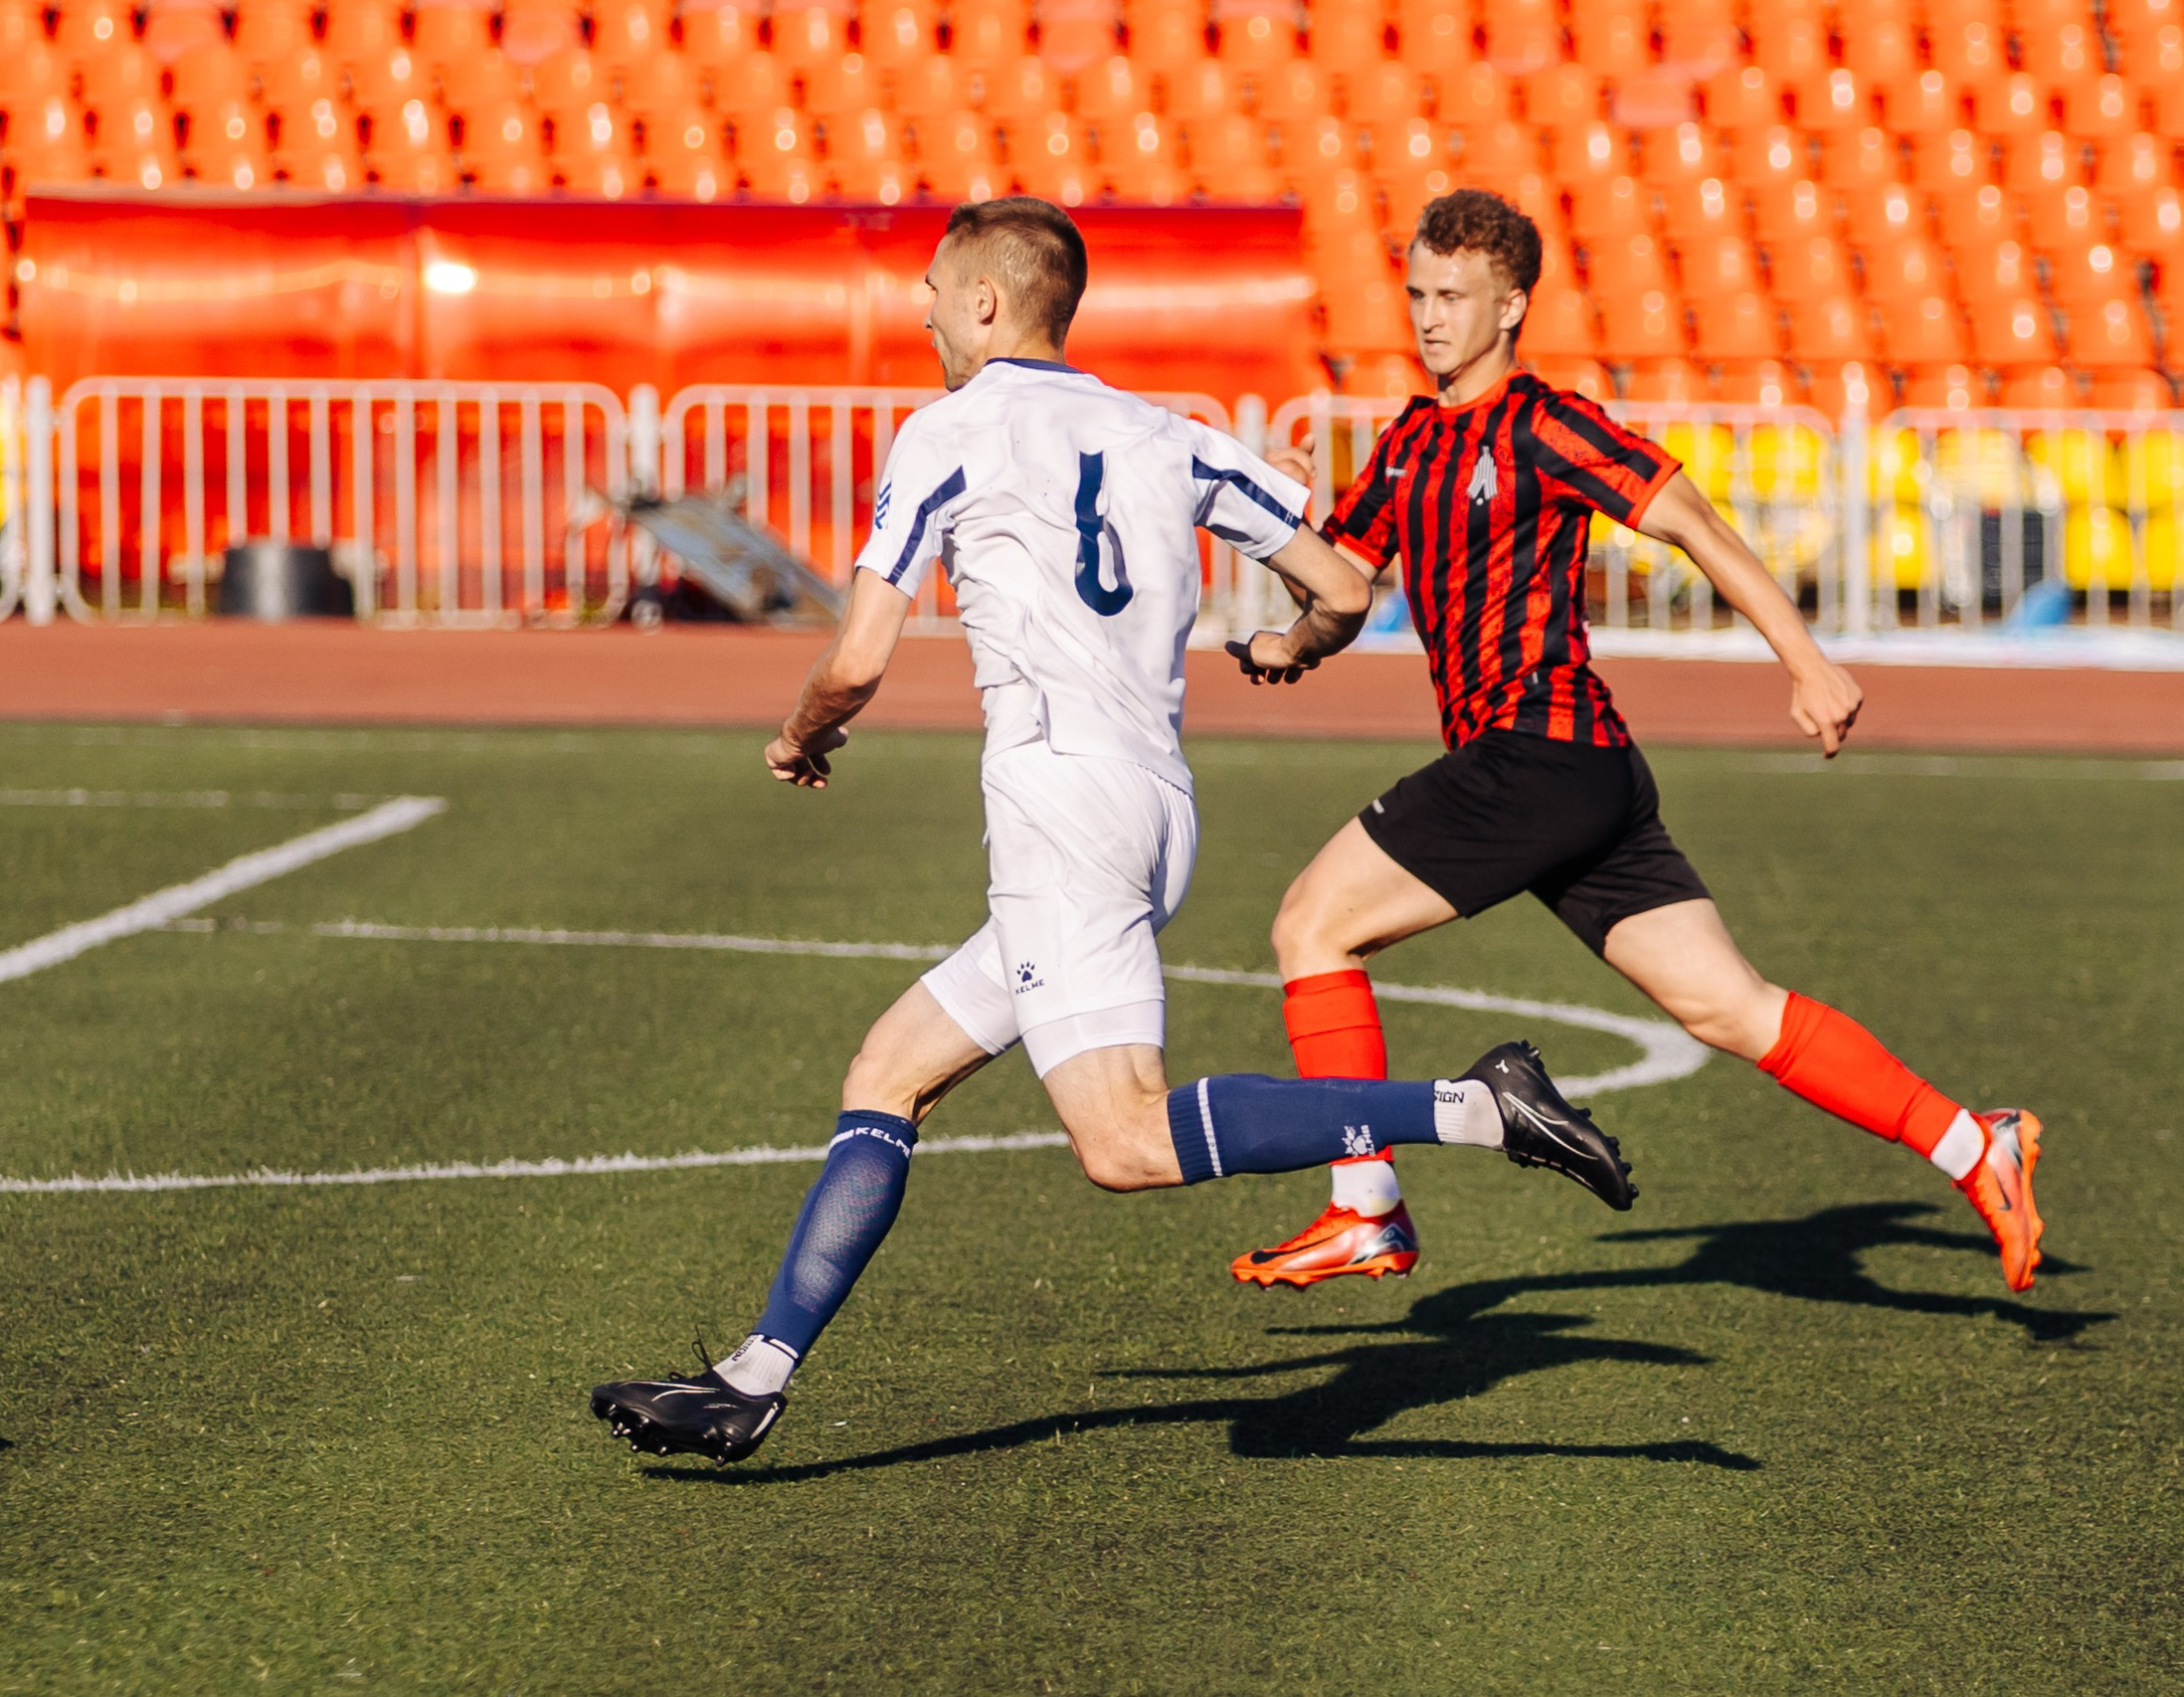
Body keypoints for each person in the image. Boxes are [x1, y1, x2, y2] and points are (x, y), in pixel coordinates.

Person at [590, 196, 1638, 1466]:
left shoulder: (948, 430)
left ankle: (1473, 1106)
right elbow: (1342, 583)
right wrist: (1291, 642)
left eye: (933, 288)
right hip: (1154, 807)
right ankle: (753, 1377)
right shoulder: (1165, 432)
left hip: (1062, 810)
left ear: (985, 301)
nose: (921, 308)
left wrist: (801, 731)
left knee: (1125, 1142)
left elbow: (858, 657)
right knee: (887, 1071)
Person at [1226, 188, 2044, 1297]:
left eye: (1453, 296)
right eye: (1416, 293)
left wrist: (1805, 661)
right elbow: (1341, 589)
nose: (1427, 316)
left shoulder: (1548, 424)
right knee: (1730, 1007)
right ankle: (1973, 1143)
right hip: (1576, 774)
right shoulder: (1408, 444)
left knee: (1311, 926)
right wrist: (1286, 597)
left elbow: (1694, 521)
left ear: (1512, 304)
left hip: (1537, 750)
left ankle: (1365, 1207)